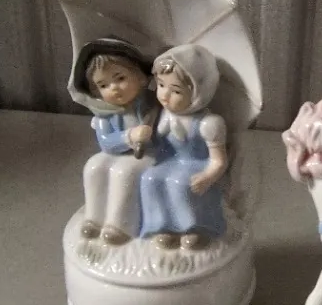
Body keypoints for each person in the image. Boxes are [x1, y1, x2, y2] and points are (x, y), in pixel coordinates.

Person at [139, 44, 228, 251]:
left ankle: (195, 228)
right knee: (150, 178)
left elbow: (219, 161)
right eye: (161, 85)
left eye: (176, 90)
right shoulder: (161, 114)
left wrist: (208, 176)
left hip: (197, 164)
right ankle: (162, 226)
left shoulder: (209, 123)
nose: (165, 95)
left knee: (178, 183)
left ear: (198, 93)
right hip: (172, 161)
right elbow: (158, 146)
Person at [72, 37, 158, 244]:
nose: (114, 88)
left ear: (141, 77)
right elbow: (106, 143)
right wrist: (129, 136)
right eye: (103, 85)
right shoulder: (105, 113)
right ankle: (95, 218)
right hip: (119, 151)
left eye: (120, 78)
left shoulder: (152, 104)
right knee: (94, 166)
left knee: (124, 172)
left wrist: (151, 133)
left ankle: (121, 225)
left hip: (150, 154)